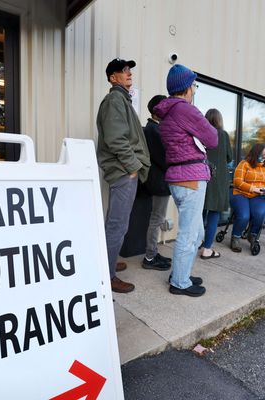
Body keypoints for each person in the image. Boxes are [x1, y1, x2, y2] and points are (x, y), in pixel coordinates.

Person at [154, 64, 218, 297]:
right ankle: (179, 282)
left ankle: (181, 272)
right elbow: (212, 139)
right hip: (190, 178)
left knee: (197, 233)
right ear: (187, 87)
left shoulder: (170, 112)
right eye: (194, 85)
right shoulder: (186, 110)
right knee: (189, 235)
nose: (195, 89)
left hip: (179, 177)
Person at [96, 58, 150, 293]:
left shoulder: (121, 100)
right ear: (112, 77)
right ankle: (107, 276)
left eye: (129, 70)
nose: (128, 74)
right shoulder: (114, 100)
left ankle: (107, 262)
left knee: (116, 223)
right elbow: (116, 139)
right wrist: (132, 167)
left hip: (124, 171)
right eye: (123, 71)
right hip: (123, 172)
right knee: (117, 225)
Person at [141, 95, 172, 271]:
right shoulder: (154, 130)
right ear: (156, 110)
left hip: (158, 180)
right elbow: (164, 158)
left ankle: (152, 252)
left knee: (156, 218)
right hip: (158, 181)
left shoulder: (154, 128)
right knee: (156, 219)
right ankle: (150, 257)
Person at [200, 109, 233, 259]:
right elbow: (229, 157)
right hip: (218, 179)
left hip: (201, 175)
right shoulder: (223, 134)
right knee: (214, 213)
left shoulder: (200, 133)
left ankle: (198, 241)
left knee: (200, 212)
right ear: (219, 120)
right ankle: (207, 249)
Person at [230, 143, 265, 252]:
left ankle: (253, 235)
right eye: (263, 155)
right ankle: (235, 238)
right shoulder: (244, 164)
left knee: (260, 214)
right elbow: (237, 182)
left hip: (258, 196)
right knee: (244, 215)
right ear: (256, 153)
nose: (264, 158)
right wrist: (253, 188)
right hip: (240, 193)